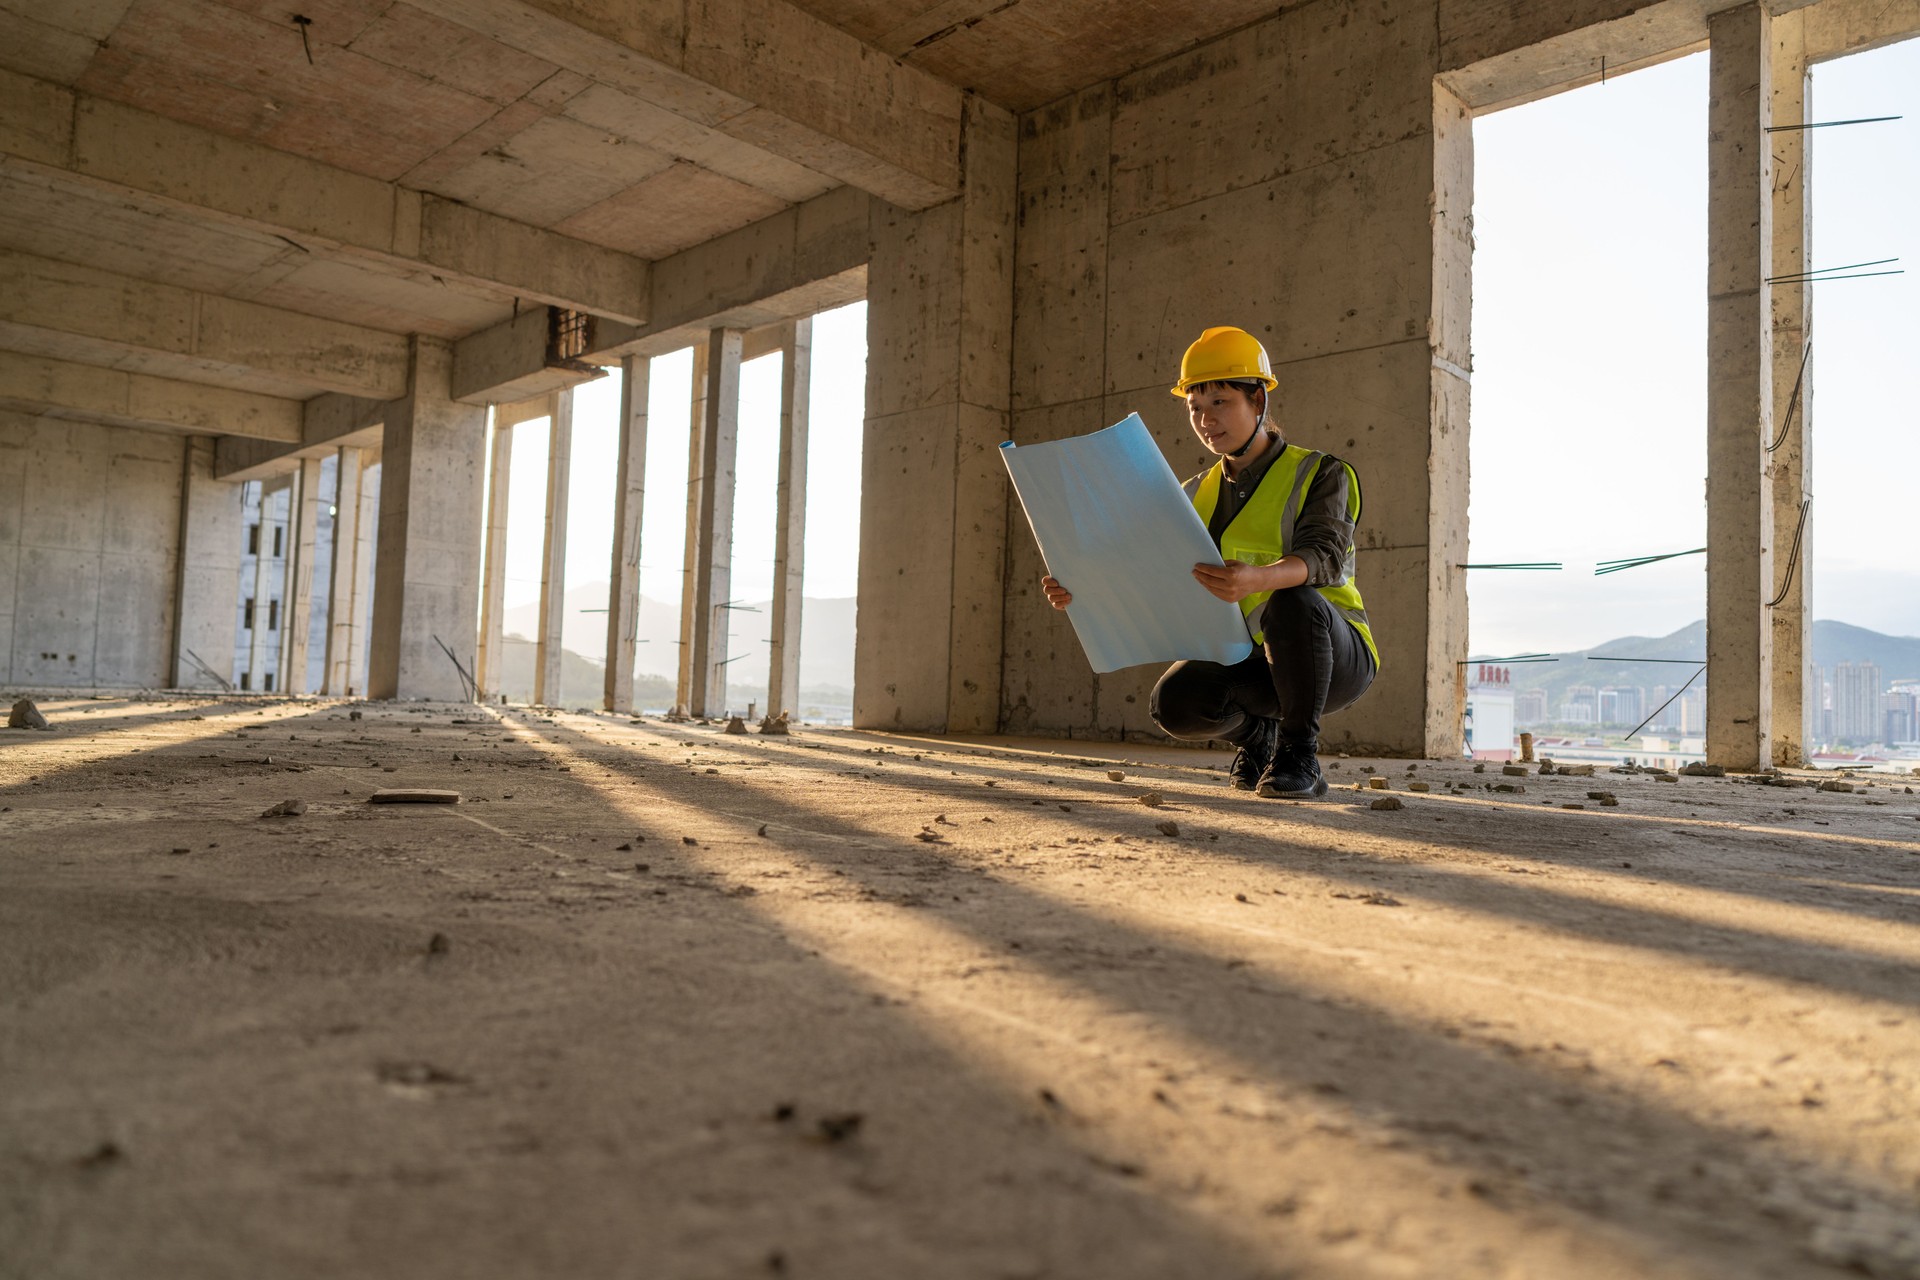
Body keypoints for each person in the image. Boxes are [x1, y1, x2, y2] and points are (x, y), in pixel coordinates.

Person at [1040, 326, 1377, 799]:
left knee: (1292, 601)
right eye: (1195, 407)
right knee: (1175, 703)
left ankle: (1299, 753)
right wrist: (1080, 590)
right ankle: (1260, 739)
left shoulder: (1321, 473)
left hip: (1332, 654)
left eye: (1220, 402)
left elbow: (1322, 558)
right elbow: (1146, 574)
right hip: (1254, 658)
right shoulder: (1191, 493)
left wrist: (1258, 578)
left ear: (1257, 400)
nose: (1204, 418)